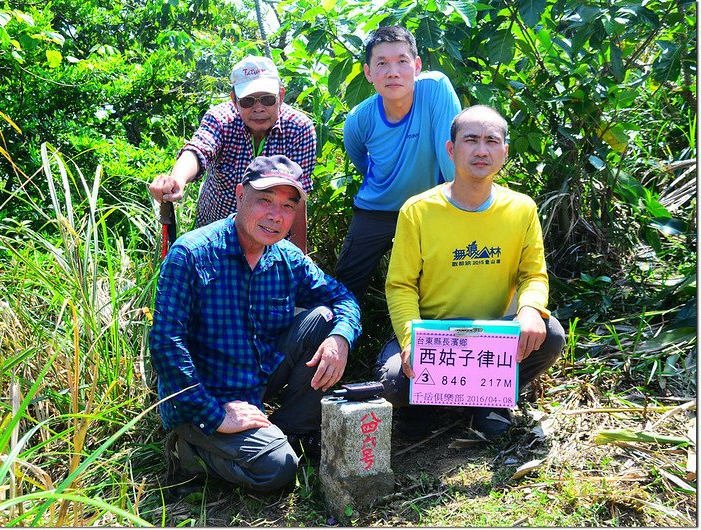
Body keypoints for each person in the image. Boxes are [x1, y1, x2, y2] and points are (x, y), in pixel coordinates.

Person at [150, 155, 361, 492]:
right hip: (206, 396)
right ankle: (188, 450)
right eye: (264, 200)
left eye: (287, 206)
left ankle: (290, 432)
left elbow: (343, 299)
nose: (275, 216)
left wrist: (341, 338)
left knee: (325, 319)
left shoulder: (286, 257)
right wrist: (215, 416)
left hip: (255, 380)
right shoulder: (191, 254)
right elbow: (166, 343)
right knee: (278, 469)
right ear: (239, 195)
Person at [375, 105, 566, 439]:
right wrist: (409, 340)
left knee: (549, 336)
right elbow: (401, 286)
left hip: (492, 336)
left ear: (504, 153)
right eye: (471, 140)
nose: (481, 150)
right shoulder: (418, 211)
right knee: (392, 380)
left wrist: (530, 309)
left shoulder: (521, 208)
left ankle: (489, 400)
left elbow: (533, 274)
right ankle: (427, 403)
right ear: (451, 149)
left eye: (492, 141)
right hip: (434, 335)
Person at [335, 25, 462, 300]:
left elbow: (452, 156)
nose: (393, 72)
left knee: (444, 284)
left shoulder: (435, 89)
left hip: (432, 207)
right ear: (368, 73)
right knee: (344, 286)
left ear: (416, 66)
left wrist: (459, 212)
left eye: (402, 61)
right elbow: (360, 160)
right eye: (382, 63)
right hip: (377, 208)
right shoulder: (360, 119)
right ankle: (339, 336)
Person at [148, 55, 316, 252]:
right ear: (234, 100)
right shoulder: (220, 119)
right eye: (248, 101)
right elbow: (198, 149)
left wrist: (300, 256)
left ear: (281, 95)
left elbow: (297, 199)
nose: (259, 108)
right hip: (216, 234)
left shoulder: (299, 128)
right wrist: (177, 179)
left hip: (271, 237)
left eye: (268, 99)